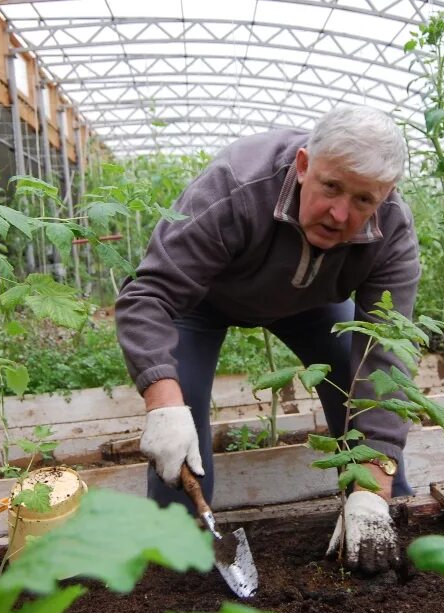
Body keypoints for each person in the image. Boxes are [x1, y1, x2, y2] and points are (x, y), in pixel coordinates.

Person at [115, 105, 420, 573]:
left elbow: (386, 352)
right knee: (182, 409)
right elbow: (149, 295)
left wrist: (373, 488)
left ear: (386, 195)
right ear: (303, 166)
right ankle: (173, 554)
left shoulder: (392, 229)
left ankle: (381, 518)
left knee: (351, 375)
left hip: (314, 304)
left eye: (363, 200)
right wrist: (162, 402)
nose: (340, 214)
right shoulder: (237, 185)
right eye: (331, 187)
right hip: (203, 299)